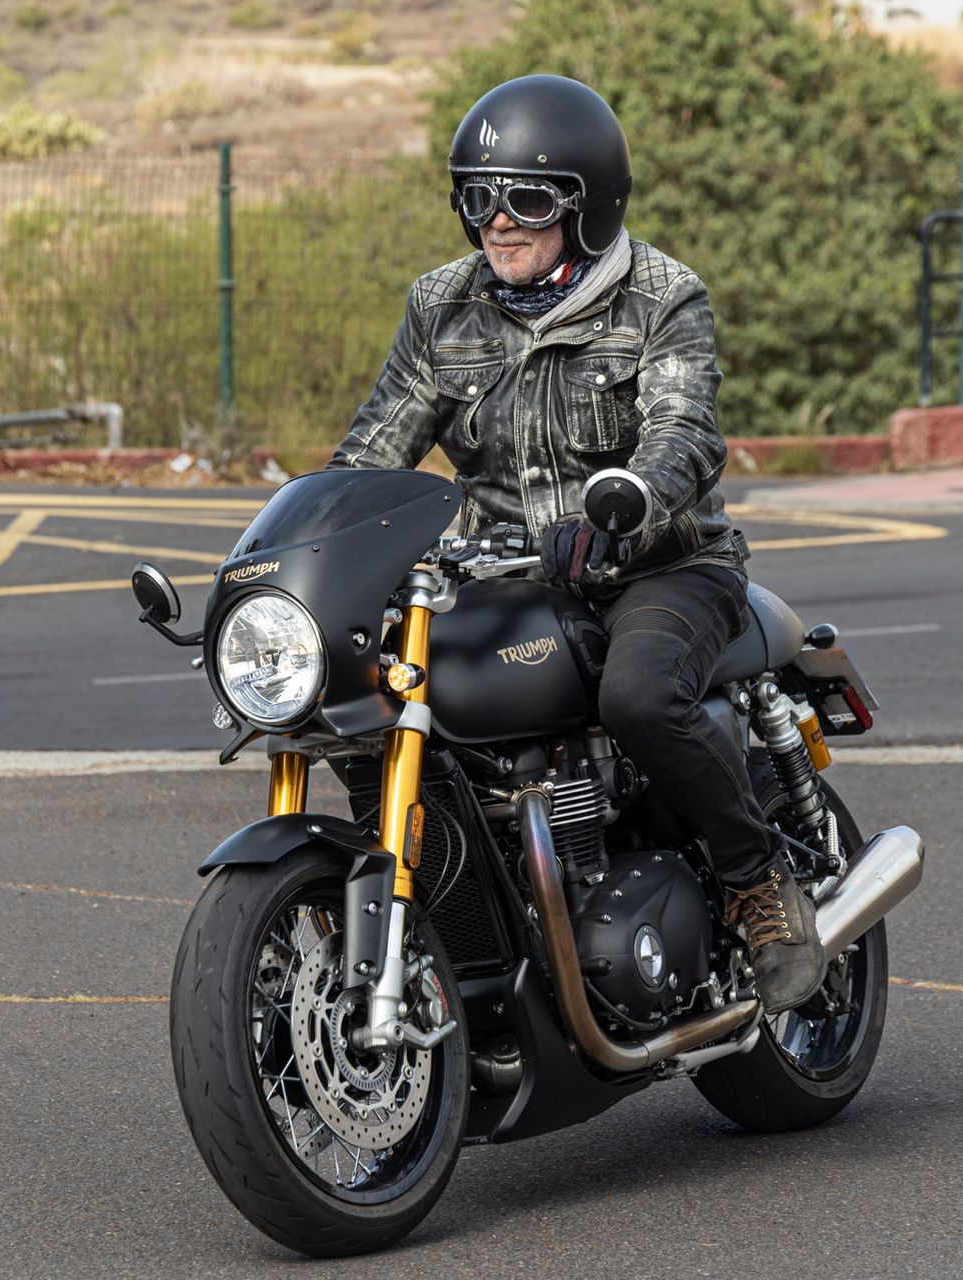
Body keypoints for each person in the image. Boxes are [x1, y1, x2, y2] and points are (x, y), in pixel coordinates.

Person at [328, 74, 823, 1014]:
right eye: (477, 198)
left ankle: (759, 883)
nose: (497, 223)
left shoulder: (661, 296)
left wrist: (628, 498)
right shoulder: (443, 306)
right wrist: (297, 546)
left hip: (662, 565)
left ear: (587, 208)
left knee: (637, 698)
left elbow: (685, 429)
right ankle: (456, 923)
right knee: (369, 704)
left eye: (525, 199)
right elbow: (372, 450)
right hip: (510, 580)